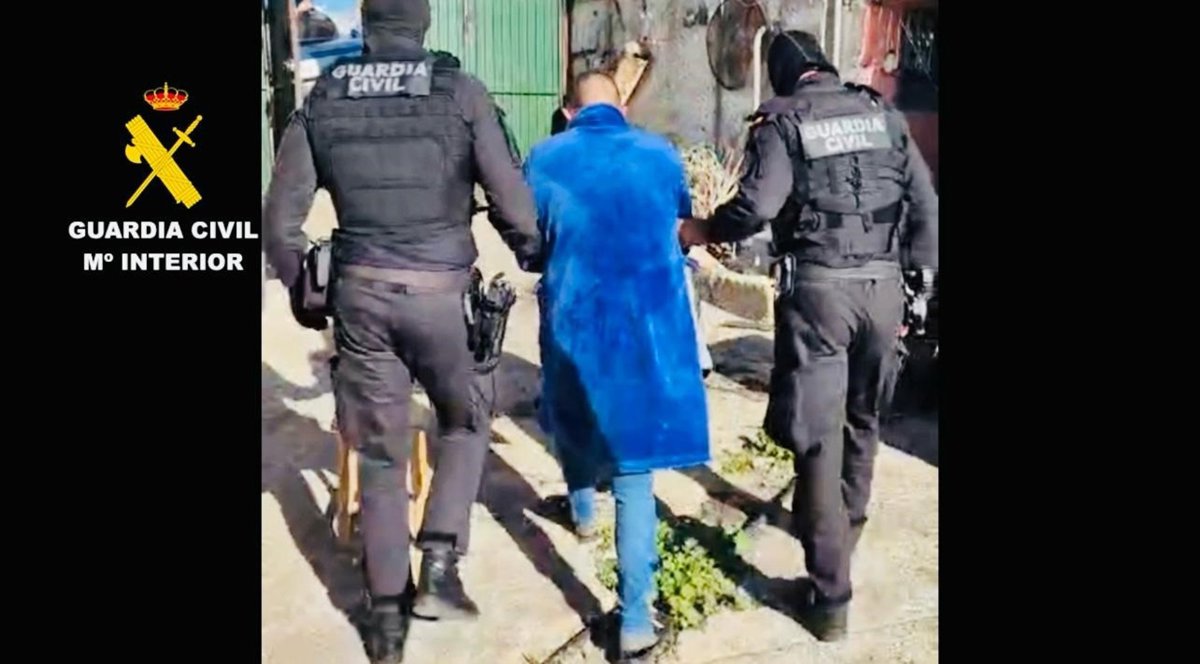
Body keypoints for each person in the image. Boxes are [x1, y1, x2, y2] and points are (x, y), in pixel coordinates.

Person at [262, 0, 542, 661]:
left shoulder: (325, 96)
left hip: (360, 300)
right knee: (467, 419)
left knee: (380, 457)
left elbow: (278, 224)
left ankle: (385, 628)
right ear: (423, 24)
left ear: (366, 25)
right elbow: (515, 206)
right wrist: (531, 249)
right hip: (444, 296)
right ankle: (440, 559)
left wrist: (308, 297)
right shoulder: (460, 91)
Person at [680, 31, 938, 641]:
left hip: (820, 294)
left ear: (781, 74)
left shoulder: (783, 122)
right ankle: (843, 533)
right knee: (863, 422)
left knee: (818, 438)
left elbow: (757, 208)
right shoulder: (881, 113)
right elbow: (926, 204)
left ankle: (829, 595)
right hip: (883, 290)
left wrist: (701, 229)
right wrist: (921, 284)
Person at [524, 72, 711, 660]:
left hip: (576, 319)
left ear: (567, 111)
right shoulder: (660, 155)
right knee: (634, 477)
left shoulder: (545, 157)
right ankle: (634, 624)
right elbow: (679, 225)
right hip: (647, 328)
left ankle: (582, 513)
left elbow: (529, 242)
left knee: (573, 414)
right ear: (623, 105)